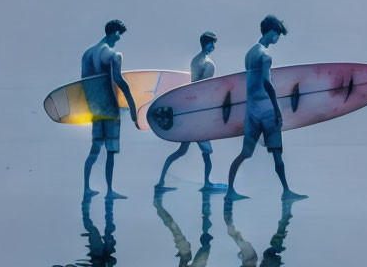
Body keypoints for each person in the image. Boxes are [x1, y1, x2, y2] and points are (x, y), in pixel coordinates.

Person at [225, 15, 307, 201]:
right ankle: (286, 192)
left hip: (251, 110)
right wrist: (277, 109)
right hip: (267, 110)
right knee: (277, 153)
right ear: (270, 31)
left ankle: (230, 191)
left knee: (245, 153)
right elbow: (266, 82)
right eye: (277, 34)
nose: (277, 38)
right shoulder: (265, 55)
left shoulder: (250, 54)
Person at [155, 31, 226, 192]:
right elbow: (204, 90)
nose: (214, 47)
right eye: (212, 44)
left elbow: (193, 86)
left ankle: (161, 182)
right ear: (206, 43)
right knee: (207, 151)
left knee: (181, 151)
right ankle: (207, 183)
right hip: (199, 114)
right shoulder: (208, 64)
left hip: (189, 111)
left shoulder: (195, 60)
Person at [81, 19, 138, 200]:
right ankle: (110, 190)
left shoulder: (87, 54)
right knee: (111, 150)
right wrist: (132, 105)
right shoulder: (114, 54)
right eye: (119, 35)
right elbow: (119, 81)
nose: (118, 40)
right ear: (114, 33)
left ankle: (87, 188)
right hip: (110, 108)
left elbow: (83, 84)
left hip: (94, 108)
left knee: (95, 147)